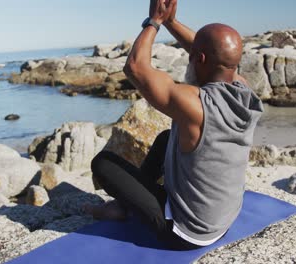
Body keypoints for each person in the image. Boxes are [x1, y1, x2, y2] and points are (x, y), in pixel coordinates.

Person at [83, 0, 264, 251]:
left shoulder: (194, 105)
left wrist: (154, 22)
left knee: (103, 163)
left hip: (187, 232)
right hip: (223, 218)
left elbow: (135, 68)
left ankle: (121, 210)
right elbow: (206, 54)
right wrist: (171, 22)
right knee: (167, 137)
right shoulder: (243, 90)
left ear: (198, 59)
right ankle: (125, 205)